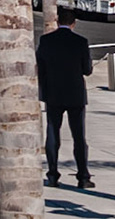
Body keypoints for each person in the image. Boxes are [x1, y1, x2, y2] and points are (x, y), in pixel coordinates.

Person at [36, 14, 95, 189]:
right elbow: (87, 69)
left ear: (57, 20)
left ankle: (53, 174)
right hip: (75, 93)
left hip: (53, 92)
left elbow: (40, 65)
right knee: (79, 136)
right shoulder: (81, 41)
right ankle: (83, 176)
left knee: (53, 133)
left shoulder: (46, 40)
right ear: (74, 23)